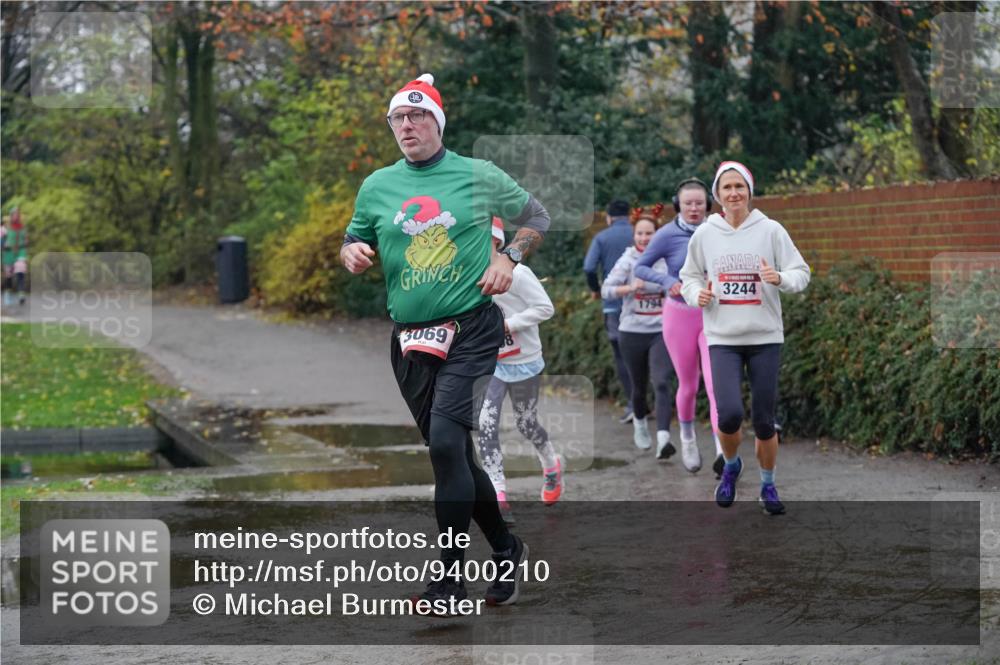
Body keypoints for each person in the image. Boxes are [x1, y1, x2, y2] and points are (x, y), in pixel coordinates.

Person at [340, 73, 549, 611]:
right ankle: (506, 547)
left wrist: (509, 256)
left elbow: (537, 216)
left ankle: (448, 580)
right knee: (448, 450)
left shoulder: (477, 174)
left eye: (418, 116)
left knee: (446, 446)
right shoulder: (376, 186)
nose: (407, 126)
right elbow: (355, 236)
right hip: (410, 342)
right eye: (398, 119)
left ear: (437, 122)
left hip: (473, 331)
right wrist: (351, 254)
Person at [680, 161, 810, 515]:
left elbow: (802, 273)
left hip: (765, 337)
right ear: (717, 196)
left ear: (749, 191)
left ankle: (768, 485)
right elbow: (689, 276)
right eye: (727, 188)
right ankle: (732, 466)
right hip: (722, 337)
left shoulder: (771, 231)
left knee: (765, 421)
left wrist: (779, 278)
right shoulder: (705, 234)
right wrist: (696, 295)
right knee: (730, 416)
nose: (734, 193)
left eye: (740, 186)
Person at [634, 179, 723, 476]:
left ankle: (723, 448)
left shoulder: (719, 230)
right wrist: (668, 282)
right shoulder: (666, 235)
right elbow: (641, 267)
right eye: (688, 203)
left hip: (713, 314)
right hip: (680, 316)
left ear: (708, 204)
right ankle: (687, 439)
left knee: (715, 385)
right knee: (689, 384)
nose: (694, 208)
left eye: (699, 203)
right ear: (678, 205)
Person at [476, 217, 561, 525]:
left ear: (497, 242)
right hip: (490, 363)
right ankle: (498, 493)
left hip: (523, 359)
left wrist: (507, 326)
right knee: (486, 423)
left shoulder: (519, 273)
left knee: (526, 424)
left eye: (479, 238)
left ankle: (551, 464)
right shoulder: (465, 274)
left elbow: (545, 309)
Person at [601, 204, 678, 458]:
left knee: (662, 381)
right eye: (640, 234)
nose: (644, 239)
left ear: (657, 236)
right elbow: (606, 289)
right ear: (634, 236)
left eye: (649, 234)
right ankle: (640, 423)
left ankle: (664, 439)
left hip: (661, 330)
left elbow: (679, 285)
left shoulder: (666, 260)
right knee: (638, 386)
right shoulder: (628, 260)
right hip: (632, 331)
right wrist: (631, 288)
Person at [584, 199, 636, 424]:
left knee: (621, 355)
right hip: (646, 303)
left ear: (608, 218)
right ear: (630, 216)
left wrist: (597, 290)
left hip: (614, 305)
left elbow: (588, 268)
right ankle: (651, 401)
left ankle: (634, 404)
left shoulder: (601, 238)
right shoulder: (642, 233)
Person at [2, 206, 27, 307]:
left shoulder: (22, 227)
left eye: (18, 214)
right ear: (11, 216)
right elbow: (1, 241)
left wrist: (24, 243)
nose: (16, 216)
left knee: (21, 271)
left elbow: (25, 239)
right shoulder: (6, 228)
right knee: (9, 275)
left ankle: (21, 294)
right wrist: (4, 244)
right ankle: (8, 294)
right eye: (15, 214)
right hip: (9, 253)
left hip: (20, 252)